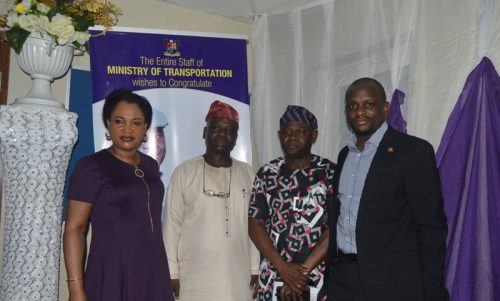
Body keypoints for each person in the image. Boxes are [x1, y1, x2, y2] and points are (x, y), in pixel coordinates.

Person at [326, 77, 449, 301]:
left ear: (385, 108)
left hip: (391, 281)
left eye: (368, 104)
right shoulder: (345, 155)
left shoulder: (413, 152)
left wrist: (432, 291)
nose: (359, 112)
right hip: (343, 278)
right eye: (352, 106)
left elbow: (431, 229)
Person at [63, 89, 174, 301]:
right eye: (119, 121)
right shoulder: (92, 167)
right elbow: (74, 229)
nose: (127, 129)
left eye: (136, 123)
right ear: (108, 123)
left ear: (145, 129)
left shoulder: (150, 165)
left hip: (153, 269)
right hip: (113, 271)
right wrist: (76, 289)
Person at [163, 100, 260, 301]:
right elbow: (171, 226)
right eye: (215, 128)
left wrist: (255, 268)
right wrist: (171, 272)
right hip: (194, 280)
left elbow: (254, 225)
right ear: (204, 133)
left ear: (235, 138)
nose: (222, 134)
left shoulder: (248, 174)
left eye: (229, 130)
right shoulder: (184, 172)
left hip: (238, 278)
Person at [249, 105, 335, 301]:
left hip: (315, 278)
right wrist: (282, 267)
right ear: (279, 135)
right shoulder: (267, 173)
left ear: (314, 136)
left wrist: (299, 274)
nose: (292, 137)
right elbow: (255, 223)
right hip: (273, 275)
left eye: (300, 132)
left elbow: (334, 228)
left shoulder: (329, 173)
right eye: (287, 132)